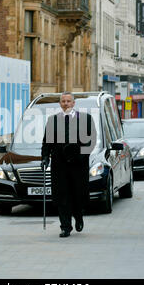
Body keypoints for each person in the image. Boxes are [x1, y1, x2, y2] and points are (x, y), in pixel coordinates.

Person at [41, 92, 97, 238]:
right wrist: (45, 157)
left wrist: (80, 155)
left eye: (68, 101)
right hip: (59, 166)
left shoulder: (85, 119)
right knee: (62, 196)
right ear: (60, 104)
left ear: (73, 103)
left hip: (78, 165)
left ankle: (78, 217)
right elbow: (46, 141)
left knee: (78, 195)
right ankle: (65, 226)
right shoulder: (53, 120)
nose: (66, 103)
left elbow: (91, 141)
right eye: (63, 101)